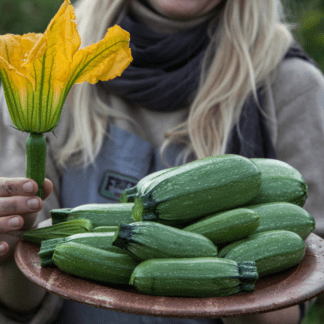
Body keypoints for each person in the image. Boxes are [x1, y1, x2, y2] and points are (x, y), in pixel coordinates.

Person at [0, 0, 323, 323]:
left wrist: (235, 279)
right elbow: (24, 304)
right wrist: (9, 254)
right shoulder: (51, 76)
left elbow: (297, 280)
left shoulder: (292, 86)